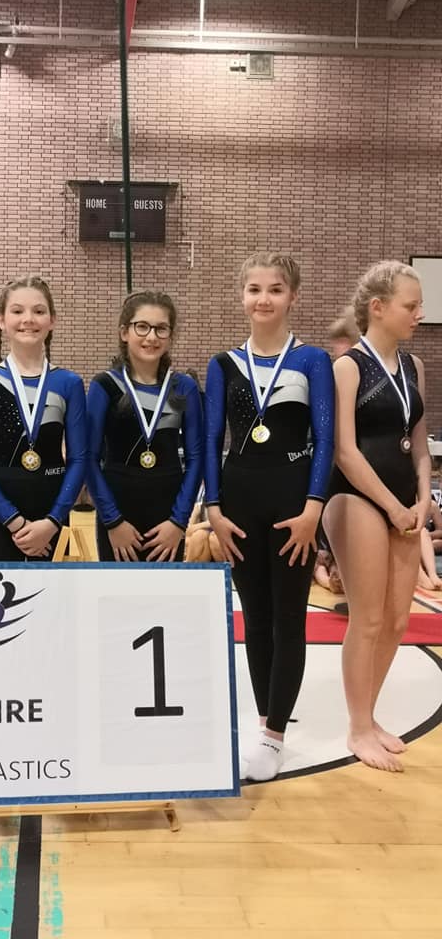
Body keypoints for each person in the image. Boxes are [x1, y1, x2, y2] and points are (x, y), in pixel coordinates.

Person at [205, 252, 335, 781]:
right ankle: (264, 725)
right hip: (238, 502)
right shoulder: (223, 365)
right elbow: (211, 440)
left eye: (275, 289)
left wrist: (313, 508)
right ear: (242, 296)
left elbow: (325, 439)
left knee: (288, 618)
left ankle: (275, 734)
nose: (264, 299)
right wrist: (213, 509)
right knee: (255, 617)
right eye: (254, 289)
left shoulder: (312, 361)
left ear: (292, 297)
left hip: (292, 502)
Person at [323, 261, 428, 773]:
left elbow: (419, 444)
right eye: (412, 305)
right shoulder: (348, 367)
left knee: (397, 620)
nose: (419, 313)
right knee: (366, 619)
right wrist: (391, 504)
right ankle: (357, 727)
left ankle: (370, 714)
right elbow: (344, 450)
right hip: (357, 498)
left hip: (406, 501)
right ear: (379, 307)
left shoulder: (413, 367)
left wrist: (424, 498)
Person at [0, 276, 86, 561]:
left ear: (52, 320)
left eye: (39, 311)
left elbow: (79, 458)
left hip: (53, 510)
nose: (28, 319)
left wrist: (53, 521)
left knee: (55, 591)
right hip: (2, 514)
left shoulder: (69, 383)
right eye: (17, 311)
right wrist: (14, 522)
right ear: (1, 320)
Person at [86, 291, 204, 562]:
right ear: (124, 332)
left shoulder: (183, 387)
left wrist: (178, 522)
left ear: (170, 336)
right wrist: (112, 521)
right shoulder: (104, 385)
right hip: (117, 512)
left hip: (168, 515)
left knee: (165, 590)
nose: (151, 337)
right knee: (117, 589)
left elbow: (196, 458)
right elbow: (88, 459)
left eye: (161, 328)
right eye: (142, 326)